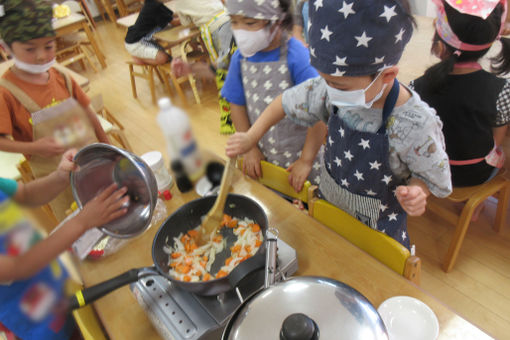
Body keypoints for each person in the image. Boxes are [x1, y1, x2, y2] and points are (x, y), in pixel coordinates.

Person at [226, 0, 453, 248]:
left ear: (387, 75)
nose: (328, 91)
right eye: (325, 81)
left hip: (377, 236)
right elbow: (284, 102)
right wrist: (251, 137)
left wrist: (418, 191)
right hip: (330, 212)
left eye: (339, 86)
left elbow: (429, 175)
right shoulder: (329, 88)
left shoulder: (416, 124)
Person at [0, 149, 128, 340]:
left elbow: (27, 194)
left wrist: (60, 177)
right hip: (39, 322)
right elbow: (19, 267)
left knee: (95, 327)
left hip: (60, 285)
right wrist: (82, 221)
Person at [0, 0, 109, 221]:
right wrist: (34, 147)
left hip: (94, 164)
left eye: (49, 46)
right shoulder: (6, 92)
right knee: (81, 225)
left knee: (111, 211)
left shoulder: (62, 77)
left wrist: (109, 147)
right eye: (30, 49)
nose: (41, 56)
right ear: (6, 48)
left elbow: (89, 114)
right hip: (56, 180)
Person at [221, 0, 326, 190]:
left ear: (277, 20)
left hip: (301, 158)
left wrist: (306, 160)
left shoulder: (297, 56)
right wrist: (251, 148)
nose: (240, 31)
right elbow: (236, 104)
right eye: (234, 22)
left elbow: (319, 112)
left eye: (250, 23)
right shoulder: (240, 58)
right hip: (264, 158)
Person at [411, 0, 510, 188]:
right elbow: (496, 140)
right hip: (475, 174)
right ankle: (477, 206)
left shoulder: (416, 88)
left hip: (430, 170)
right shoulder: (502, 90)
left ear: (439, 48)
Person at [170, 0, 237, 134]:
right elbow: (218, 69)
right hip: (226, 18)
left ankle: (230, 120)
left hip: (214, 27)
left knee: (227, 71)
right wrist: (190, 68)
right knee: (226, 69)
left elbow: (185, 23)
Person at [124, 0, 176, 65]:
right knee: (163, 58)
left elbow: (172, 16)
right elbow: (174, 22)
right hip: (136, 43)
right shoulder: (153, 6)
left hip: (144, 39)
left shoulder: (157, 4)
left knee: (168, 56)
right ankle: (139, 58)